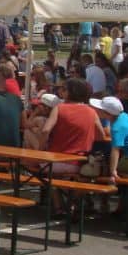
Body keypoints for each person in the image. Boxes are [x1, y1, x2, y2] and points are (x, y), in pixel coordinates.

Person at [41, 78, 107, 214]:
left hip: (56, 160)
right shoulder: (91, 111)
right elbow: (101, 136)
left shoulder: (59, 108)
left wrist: (41, 148)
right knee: (77, 177)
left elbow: (46, 130)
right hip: (79, 162)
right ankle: (72, 202)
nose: (60, 91)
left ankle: (58, 206)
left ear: (70, 92)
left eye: (63, 89)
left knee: (43, 172)